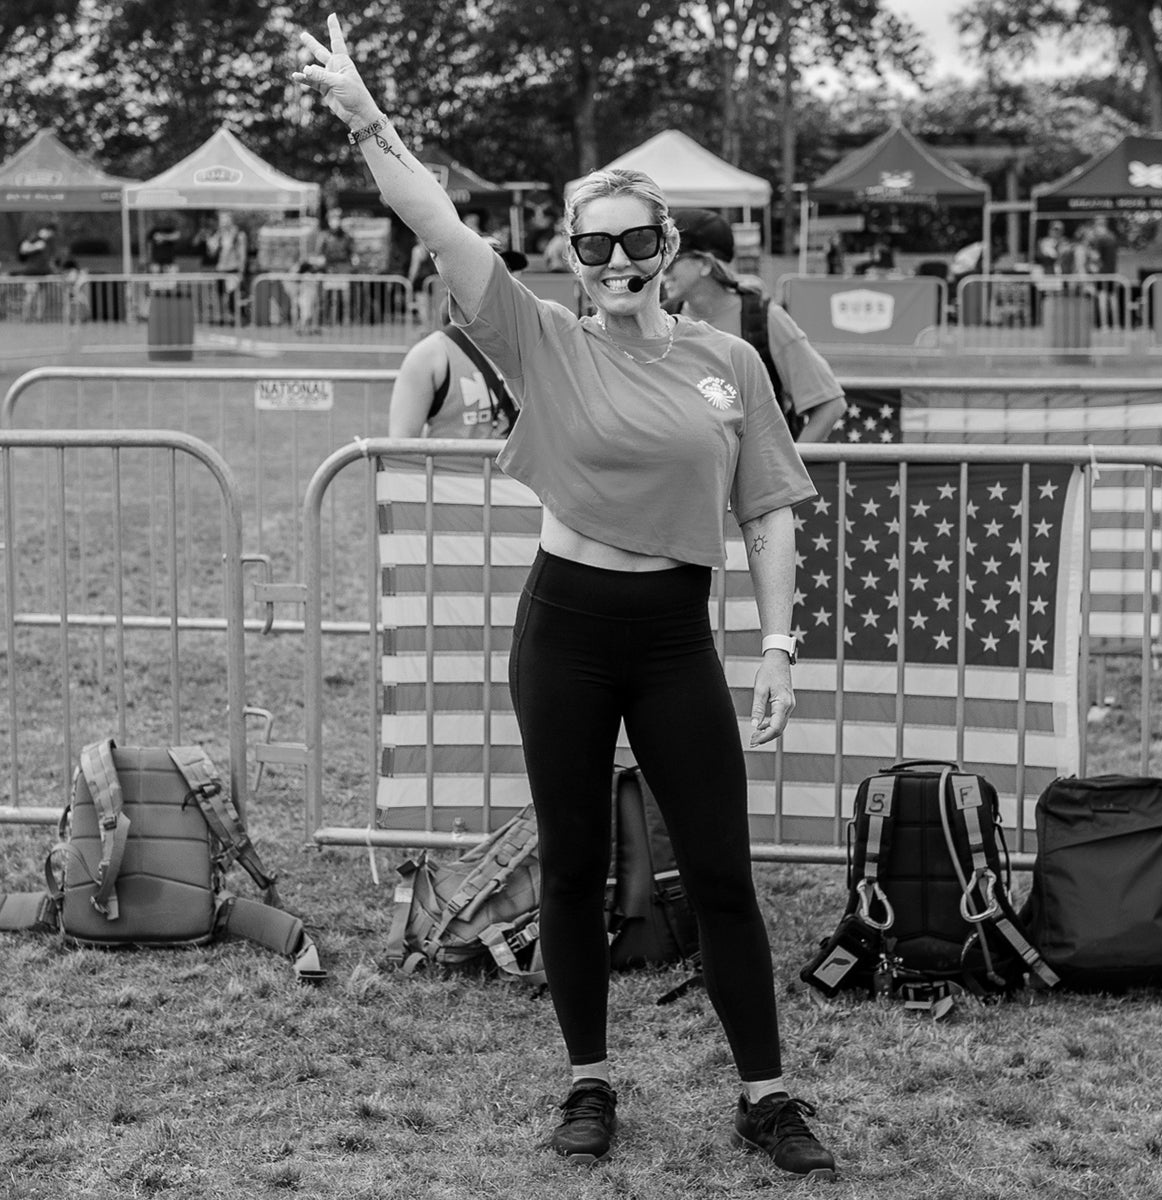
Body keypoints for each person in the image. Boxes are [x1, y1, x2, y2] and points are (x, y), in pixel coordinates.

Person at [294, 14, 836, 1181]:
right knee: (574, 866)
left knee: (725, 874)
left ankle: (769, 1095)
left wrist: (780, 648)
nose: (617, 264)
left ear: (668, 241)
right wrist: (364, 118)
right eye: (592, 249)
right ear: (570, 258)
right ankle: (588, 1082)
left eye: (636, 242)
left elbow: (769, 515)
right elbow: (433, 219)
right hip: (568, 632)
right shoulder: (537, 338)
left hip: (677, 639)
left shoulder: (729, 364)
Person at [664, 209, 846, 444]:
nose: (661, 269)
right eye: (659, 257)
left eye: (672, 258)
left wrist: (784, 474)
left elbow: (830, 405)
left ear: (705, 264)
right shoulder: (662, 319)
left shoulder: (764, 319)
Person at [389, 248, 527, 438]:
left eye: (504, 272)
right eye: (484, 272)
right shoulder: (431, 355)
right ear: (455, 281)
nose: (498, 283)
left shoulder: (530, 347)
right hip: (451, 467)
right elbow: (400, 449)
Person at [317, 207, 356, 324]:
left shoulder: (346, 236)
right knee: (328, 298)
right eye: (333, 219)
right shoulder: (324, 236)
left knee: (346, 298)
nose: (336, 221)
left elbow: (352, 252)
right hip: (329, 269)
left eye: (338, 219)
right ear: (328, 221)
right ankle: (327, 320)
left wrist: (353, 259)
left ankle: (346, 320)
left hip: (343, 268)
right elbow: (319, 252)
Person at [17, 221, 58, 320]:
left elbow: (49, 258)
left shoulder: (49, 242)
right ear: (48, 231)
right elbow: (23, 249)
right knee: (30, 294)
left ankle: (39, 318)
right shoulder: (34, 237)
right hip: (32, 272)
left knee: (41, 296)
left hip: (43, 272)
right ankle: (25, 317)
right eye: (51, 233)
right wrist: (36, 247)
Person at [213, 211, 248, 325]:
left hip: (233, 268)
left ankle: (235, 318)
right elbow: (212, 252)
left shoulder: (239, 235)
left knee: (232, 295)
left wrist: (241, 271)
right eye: (221, 219)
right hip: (220, 269)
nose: (222, 222)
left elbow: (242, 254)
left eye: (225, 219)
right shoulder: (219, 235)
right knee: (220, 295)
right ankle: (223, 317)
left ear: (231, 220)